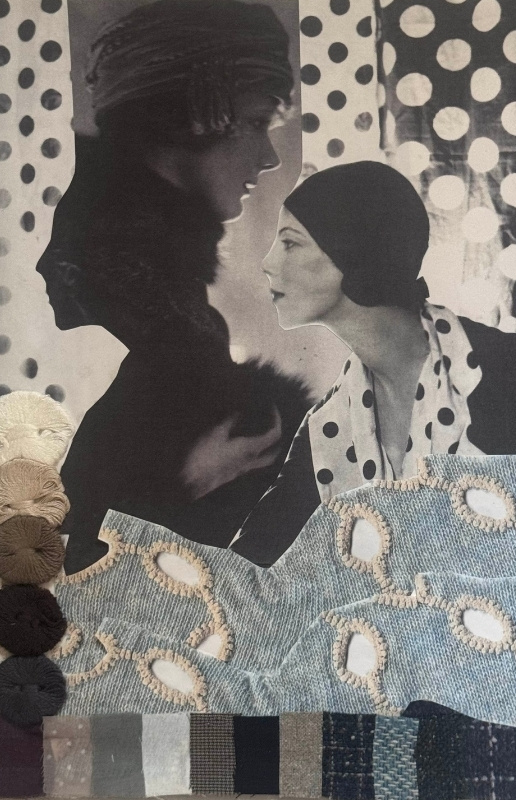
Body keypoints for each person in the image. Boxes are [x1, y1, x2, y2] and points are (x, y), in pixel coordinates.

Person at [36, 0, 312, 574]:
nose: (268, 157)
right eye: (256, 122)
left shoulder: (148, 283)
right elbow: (57, 536)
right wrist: (183, 484)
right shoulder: (96, 290)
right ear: (195, 114)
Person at [231, 161, 516, 567]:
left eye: (291, 244)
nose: (268, 263)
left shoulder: (510, 372)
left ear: (353, 250)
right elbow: (252, 562)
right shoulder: (328, 427)